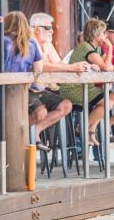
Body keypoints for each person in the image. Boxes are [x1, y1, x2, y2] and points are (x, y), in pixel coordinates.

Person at [0, 12, 47, 148]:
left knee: (3, 119)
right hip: (22, 91)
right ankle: (20, 135)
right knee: (30, 112)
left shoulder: (0, 40)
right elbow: (38, 68)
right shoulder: (32, 43)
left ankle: (8, 140)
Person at [28, 13, 90, 150]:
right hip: (26, 89)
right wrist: (72, 67)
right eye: (48, 27)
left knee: (66, 105)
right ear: (36, 29)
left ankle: (35, 131)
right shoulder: (30, 41)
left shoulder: (46, 44)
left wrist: (78, 66)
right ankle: (22, 134)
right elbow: (41, 66)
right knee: (40, 112)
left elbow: (58, 64)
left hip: (41, 89)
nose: (51, 31)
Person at [58, 18, 114, 147]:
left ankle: (90, 129)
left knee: (111, 97)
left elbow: (108, 67)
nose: (105, 36)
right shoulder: (85, 47)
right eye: (103, 33)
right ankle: (83, 128)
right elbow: (107, 68)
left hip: (86, 87)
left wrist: (106, 56)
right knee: (109, 98)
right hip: (73, 89)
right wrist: (111, 49)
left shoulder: (97, 49)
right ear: (96, 34)